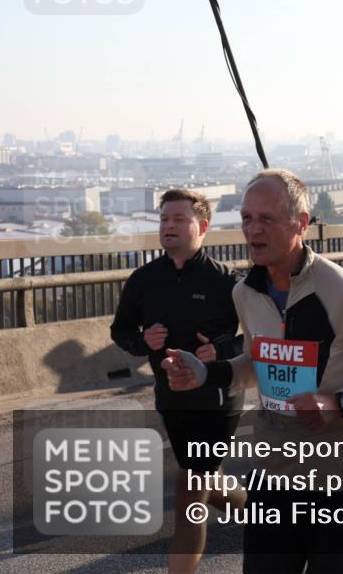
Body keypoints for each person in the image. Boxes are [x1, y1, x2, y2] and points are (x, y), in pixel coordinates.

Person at [163, 169, 343, 572]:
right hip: (274, 476)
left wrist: (339, 401)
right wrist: (204, 375)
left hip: (341, 482)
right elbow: (260, 361)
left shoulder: (342, 291)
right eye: (246, 218)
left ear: (301, 224)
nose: (252, 230)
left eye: (267, 219)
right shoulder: (245, 293)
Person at [110, 189, 244, 574]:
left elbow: (253, 337)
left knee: (191, 492)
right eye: (164, 219)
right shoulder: (144, 279)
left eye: (178, 219)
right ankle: (269, 515)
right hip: (171, 398)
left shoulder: (228, 283)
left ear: (202, 227)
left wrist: (220, 349)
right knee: (209, 484)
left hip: (217, 400)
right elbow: (121, 331)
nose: (168, 226)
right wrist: (142, 341)